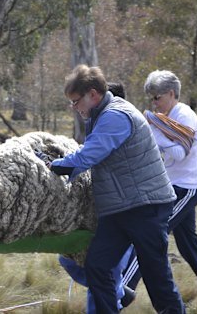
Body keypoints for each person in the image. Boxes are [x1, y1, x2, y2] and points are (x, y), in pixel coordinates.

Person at [47, 65, 185, 314]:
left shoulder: (115, 115)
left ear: (93, 94)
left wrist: (54, 165)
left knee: (157, 280)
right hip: (121, 209)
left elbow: (90, 154)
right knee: (97, 266)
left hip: (146, 207)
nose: (74, 108)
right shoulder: (100, 116)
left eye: (76, 101)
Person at [121, 70, 197, 308]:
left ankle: (122, 290)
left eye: (157, 97)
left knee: (150, 236)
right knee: (188, 245)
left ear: (171, 93)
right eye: (151, 99)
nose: (154, 103)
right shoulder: (165, 116)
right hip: (173, 186)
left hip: (187, 188)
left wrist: (153, 135)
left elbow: (180, 154)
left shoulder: (184, 115)